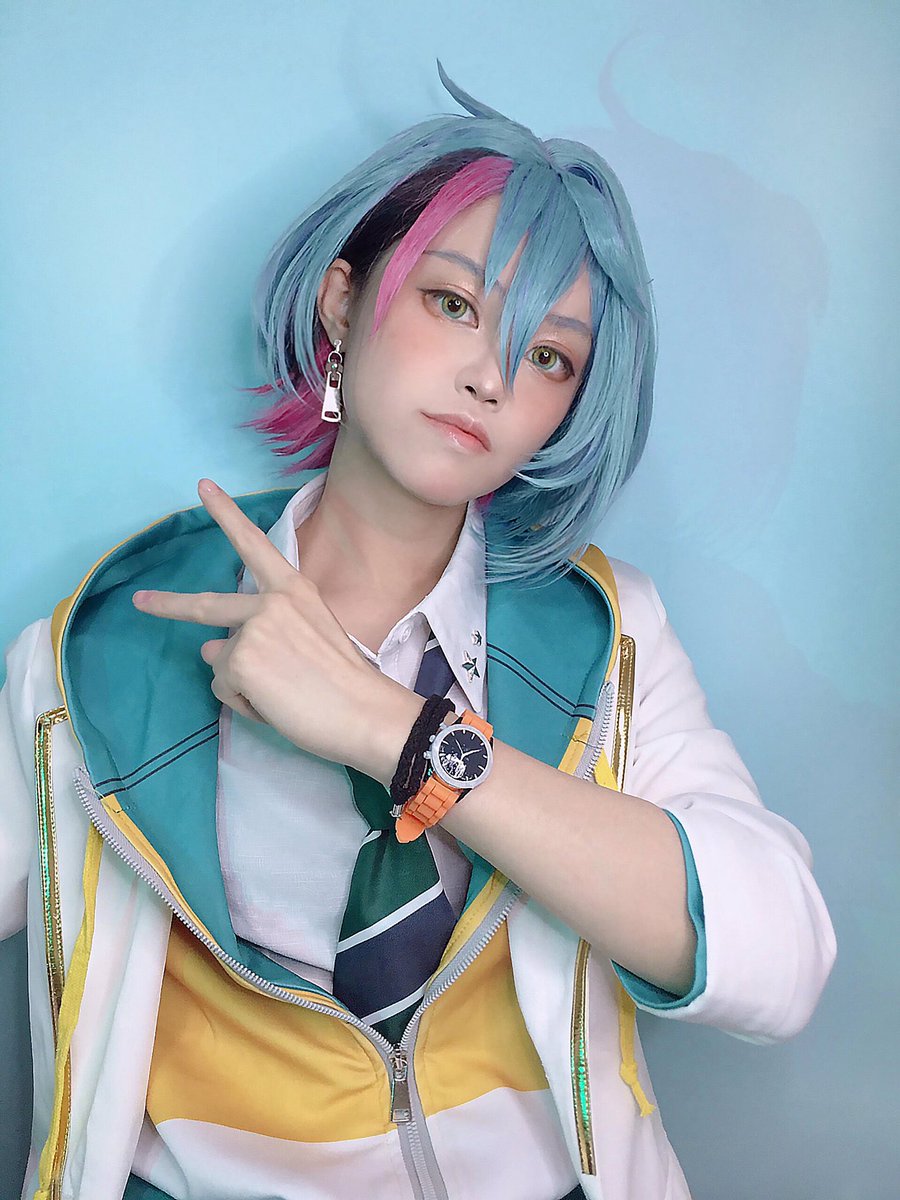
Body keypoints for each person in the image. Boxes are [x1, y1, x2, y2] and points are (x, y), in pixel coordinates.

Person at [0, 63, 836, 1200]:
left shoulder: (609, 633)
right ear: (343, 305)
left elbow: (779, 958)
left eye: (549, 356)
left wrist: (395, 733)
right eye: (454, 304)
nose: (491, 377)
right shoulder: (103, 645)